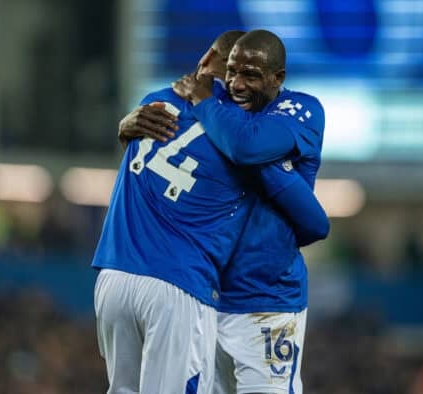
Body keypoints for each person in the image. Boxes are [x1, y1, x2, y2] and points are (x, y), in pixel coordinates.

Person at [93, 30, 329, 394]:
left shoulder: (298, 109)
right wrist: (127, 127)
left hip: (264, 299)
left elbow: (311, 220)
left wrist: (232, 139)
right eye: (230, 70)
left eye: (249, 74)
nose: (235, 83)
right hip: (206, 294)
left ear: (277, 78)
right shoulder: (210, 116)